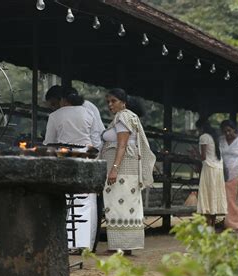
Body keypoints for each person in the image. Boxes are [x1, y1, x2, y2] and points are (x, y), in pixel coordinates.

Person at [99, 88, 156, 255]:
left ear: (123, 102)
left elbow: (122, 145)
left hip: (122, 170)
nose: (110, 105)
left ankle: (121, 246)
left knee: (119, 206)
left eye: (113, 101)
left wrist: (114, 169)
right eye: (108, 101)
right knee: (126, 205)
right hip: (125, 169)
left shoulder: (123, 116)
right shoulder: (126, 117)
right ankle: (125, 246)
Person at [43, 87, 99, 251]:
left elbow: (49, 142)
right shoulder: (88, 112)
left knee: (67, 199)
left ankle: (68, 242)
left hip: (64, 156)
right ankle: (84, 244)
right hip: (85, 156)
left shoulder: (54, 116)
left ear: (63, 100)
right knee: (86, 199)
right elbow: (96, 139)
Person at [45, 85, 105, 150]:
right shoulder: (89, 113)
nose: (54, 108)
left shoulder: (54, 115)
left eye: (54, 104)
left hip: (64, 154)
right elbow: (96, 142)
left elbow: (50, 143)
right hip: (87, 154)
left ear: (63, 100)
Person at [195, 118, 227, 228]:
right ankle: (212, 224)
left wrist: (194, 154)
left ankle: (208, 225)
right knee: (214, 195)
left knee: (207, 196)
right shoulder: (215, 137)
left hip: (209, 168)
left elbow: (203, 157)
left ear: (201, 128)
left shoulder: (203, 137)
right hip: (218, 169)